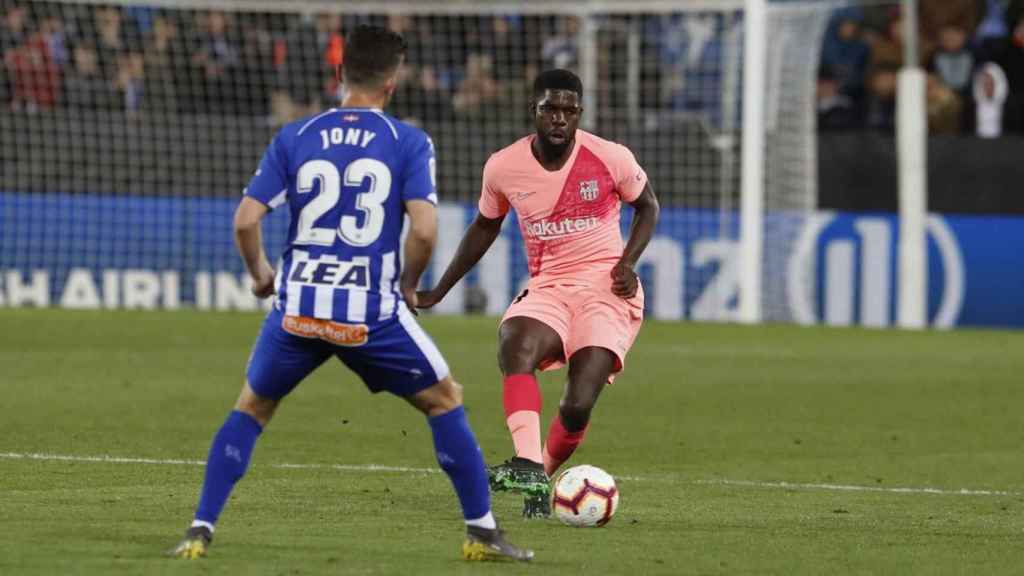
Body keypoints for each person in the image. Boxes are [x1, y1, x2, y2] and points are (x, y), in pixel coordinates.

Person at [169, 25, 532, 562]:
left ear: (339, 74)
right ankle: (482, 532)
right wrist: (409, 284)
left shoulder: (294, 136)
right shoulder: (406, 141)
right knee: (445, 399)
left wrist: (262, 274)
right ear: (394, 79)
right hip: (370, 313)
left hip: (298, 310)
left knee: (252, 407)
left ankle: (200, 530)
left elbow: (246, 222)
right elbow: (426, 231)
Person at [416, 69, 660, 518]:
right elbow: (485, 227)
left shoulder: (610, 157)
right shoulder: (503, 166)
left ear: (580, 113)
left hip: (606, 287)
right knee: (515, 342)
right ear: (534, 109)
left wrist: (628, 262)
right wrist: (439, 289)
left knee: (577, 403)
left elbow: (648, 206)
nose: (559, 118)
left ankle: (540, 474)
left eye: (569, 110)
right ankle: (527, 461)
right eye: (551, 108)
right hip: (549, 285)